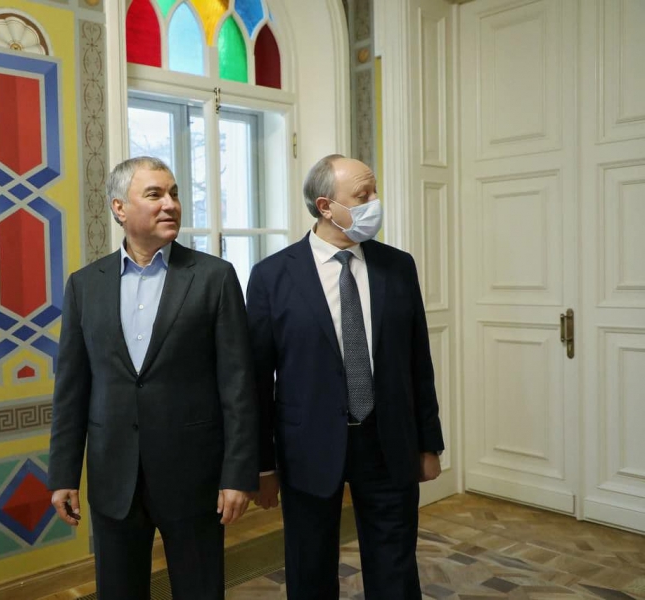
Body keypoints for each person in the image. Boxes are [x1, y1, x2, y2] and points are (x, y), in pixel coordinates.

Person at [48, 156, 258, 600]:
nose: (171, 204)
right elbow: (71, 390)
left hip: (194, 477)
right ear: (120, 208)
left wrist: (238, 473)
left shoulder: (214, 278)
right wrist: (63, 474)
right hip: (113, 477)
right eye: (155, 194)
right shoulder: (85, 285)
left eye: (174, 194)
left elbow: (238, 386)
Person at [247, 154, 444, 599]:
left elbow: (419, 362)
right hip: (307, 447)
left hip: (388, 440)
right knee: (310, 566)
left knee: (395, 565)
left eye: (374, 191)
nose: (375, 202)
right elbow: (256, 382)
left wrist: (428, 444)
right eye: (363, 195)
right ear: (325, 207)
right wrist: (262, 465)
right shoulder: (271, 276)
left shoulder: (398, 266)